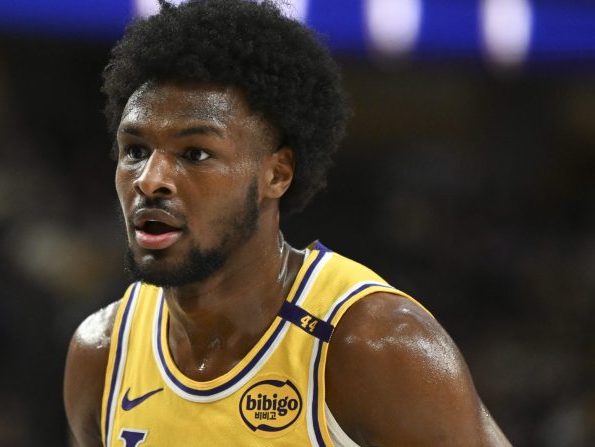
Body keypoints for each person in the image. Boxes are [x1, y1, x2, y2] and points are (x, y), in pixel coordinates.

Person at [64, 0, 510, 445]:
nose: (151, 180)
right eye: (136, 150)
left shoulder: (374, 345)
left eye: (195, 153)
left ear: (276, 174)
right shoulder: (102, 352)